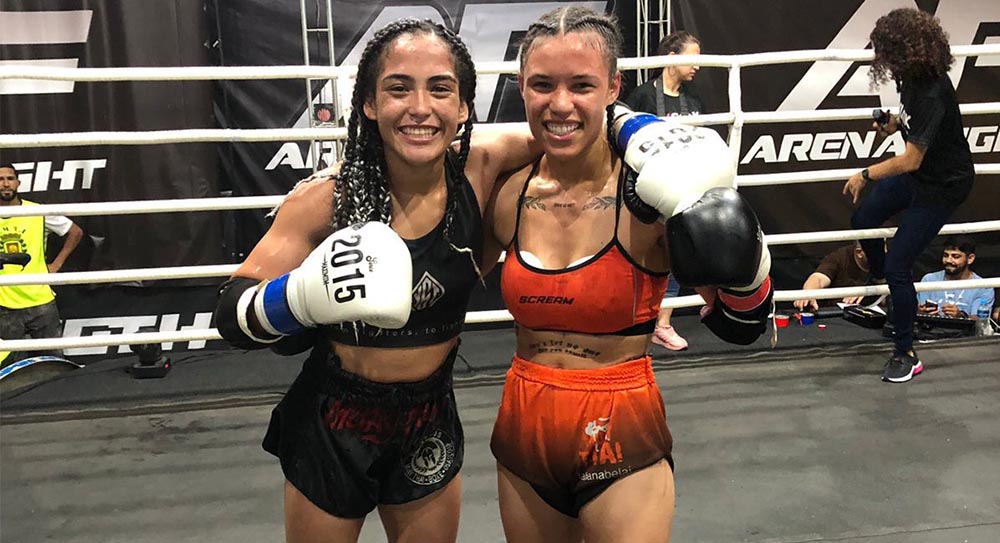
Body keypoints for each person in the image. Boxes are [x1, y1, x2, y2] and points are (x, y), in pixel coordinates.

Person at [213, 20, 537, 543]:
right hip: (333, 420)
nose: (420, 107)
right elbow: (230, 313)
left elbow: (568, 124)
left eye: (439, 88)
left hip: (429, 415)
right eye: (398, 88)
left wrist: (635, 131)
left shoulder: (479, 166)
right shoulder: (326, 200)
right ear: (368, 103)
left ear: (463, 107)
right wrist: (298, 299)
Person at [486, 7, 772, 542]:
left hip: (620, 420)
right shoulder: (507, 192)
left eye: (582, 85)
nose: (560, 104)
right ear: (521, 87)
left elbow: (745, 321)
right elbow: (439, 284)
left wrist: (741, 256)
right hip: (524, 421)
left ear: (613, 87)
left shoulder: (652, 195)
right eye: (543, 84)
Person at [842, 8, 975, 384]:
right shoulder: (910, 77)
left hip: (943, 186)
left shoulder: (932, 89)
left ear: (902, 50)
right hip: (922, 176)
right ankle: (890, 291)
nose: (880, 58)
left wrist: (865, 174)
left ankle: (906, 351)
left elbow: (911, 159)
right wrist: (893, 124)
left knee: (899, 266)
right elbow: (912, 121)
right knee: (864, 219)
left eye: (884, 50)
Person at [623, 31, 704, 350]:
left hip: (683, 187)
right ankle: (632, 321)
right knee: (639, 254)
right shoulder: (643, 96)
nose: (697, 65)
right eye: (692, 58)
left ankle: (663, 324)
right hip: (645, 189)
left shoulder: (695, 101)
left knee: (674, 253)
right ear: (671, 57)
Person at [0, 163, 84, 365]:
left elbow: (75, 232)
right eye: (0, 179)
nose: (5, 184)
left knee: (54, 364)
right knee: (10, 369)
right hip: (4, 304)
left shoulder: (37, 211)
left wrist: (56, 264)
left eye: (10, 178)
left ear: (18, 183)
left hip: (40, 300)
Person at [916, 236, 994, 319]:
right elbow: (919, 312)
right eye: (945, 255)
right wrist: (921, 312)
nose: (948, 260)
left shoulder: (983, 286)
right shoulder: (929, 280)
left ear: (970, 259)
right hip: (930, 327)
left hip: (964, 328)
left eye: (955, 256)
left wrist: (960, 316)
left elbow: (980, 320)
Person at [793, 241, 870, 311]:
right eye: (873, 251)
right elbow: (818, 278)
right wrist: (808, 293)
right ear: (859, 252)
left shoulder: (878, 263)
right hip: (839, 313)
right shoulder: (840, 256)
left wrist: (868, 293)